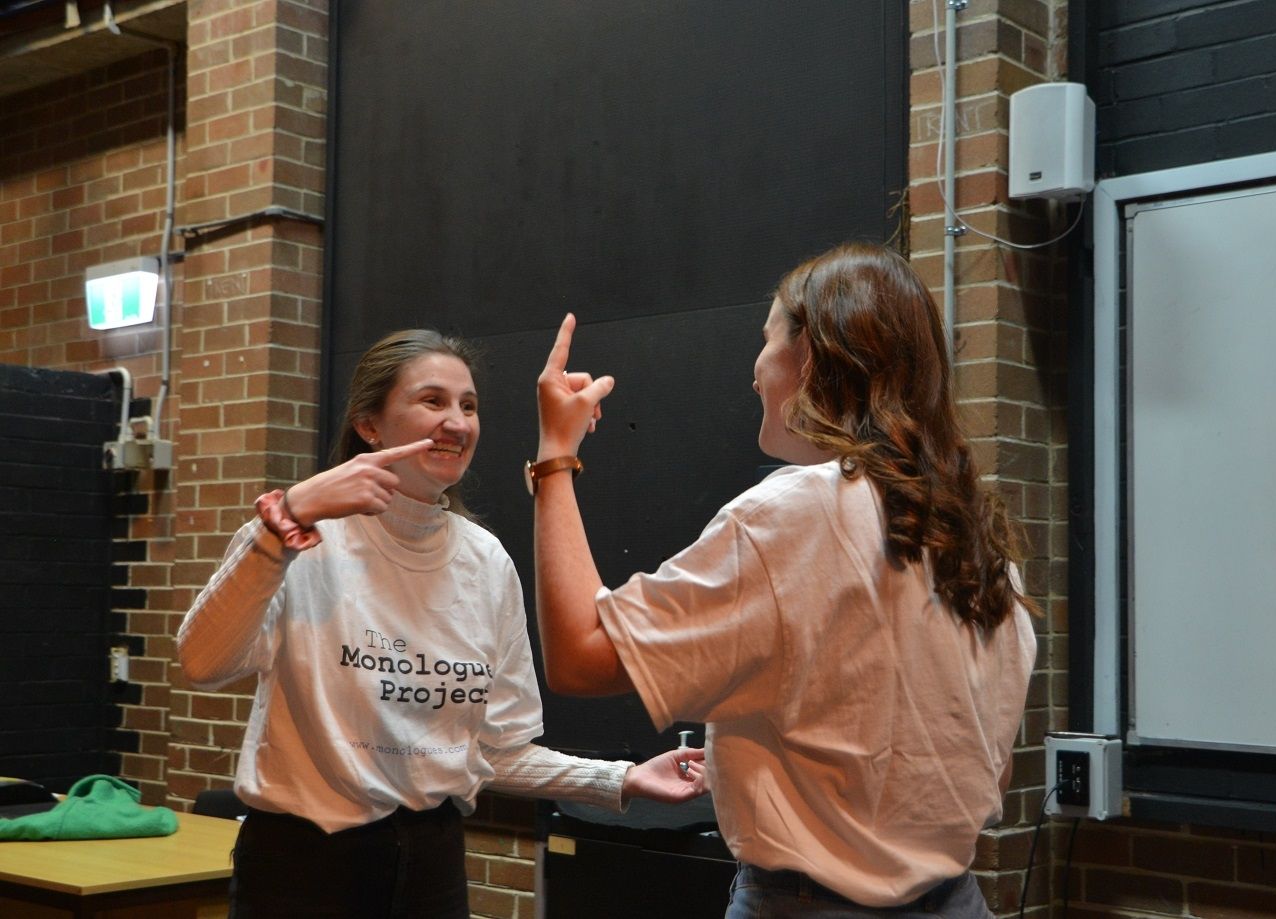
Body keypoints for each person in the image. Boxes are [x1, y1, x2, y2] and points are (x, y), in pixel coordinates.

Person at [530, 241, 1038, 917]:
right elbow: (981, 766)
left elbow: (580, 654)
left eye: (768, 340)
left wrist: (554, 459)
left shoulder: (797, 511)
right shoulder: (979, 536)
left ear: (812, 359)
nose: (754, 370)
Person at [177, 329, 705, 919]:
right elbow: (203, 662)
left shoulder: (485, 561)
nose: (457, 422)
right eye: (433, 401)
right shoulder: (302, 540)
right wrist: (285, 522)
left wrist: (623, 779)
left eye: (469, 405)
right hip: (303, 867)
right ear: (369, 425)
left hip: (432, 865)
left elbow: (491, 751)